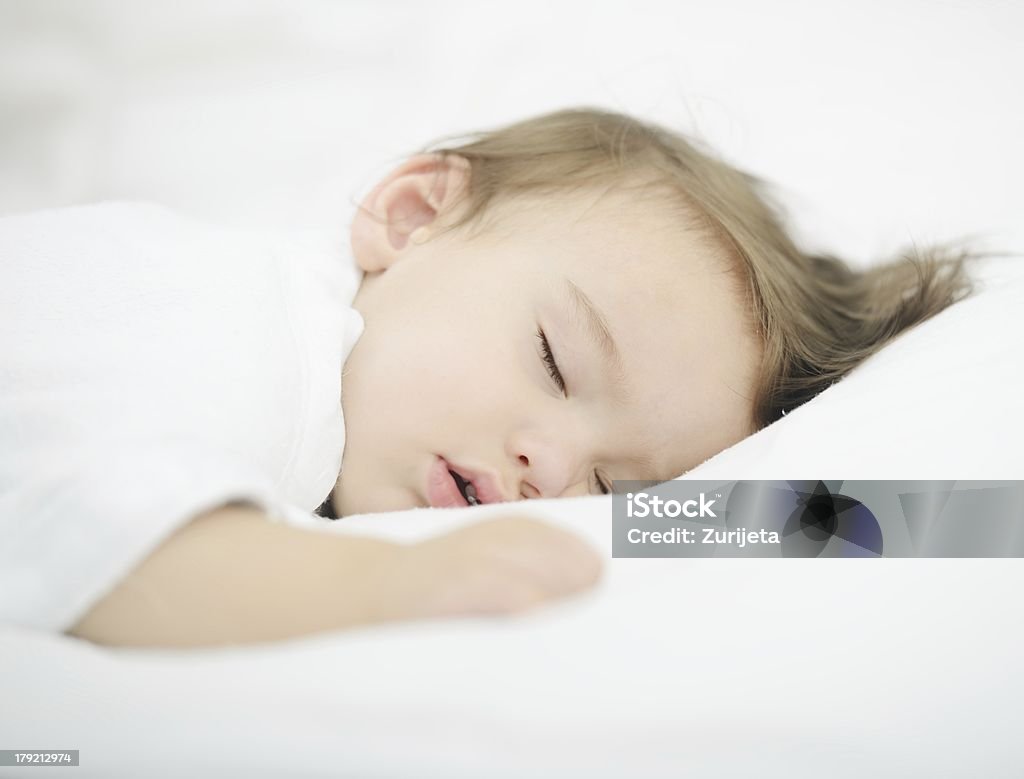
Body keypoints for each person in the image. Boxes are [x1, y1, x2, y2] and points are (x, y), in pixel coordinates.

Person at [0, 107, 979, 649]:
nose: (547, 466)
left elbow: (887, 518)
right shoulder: (236, 322)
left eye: (610, 486)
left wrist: (943, 522)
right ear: (415, 216)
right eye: (555, 360)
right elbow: (106, 543)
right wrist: (393, 579)